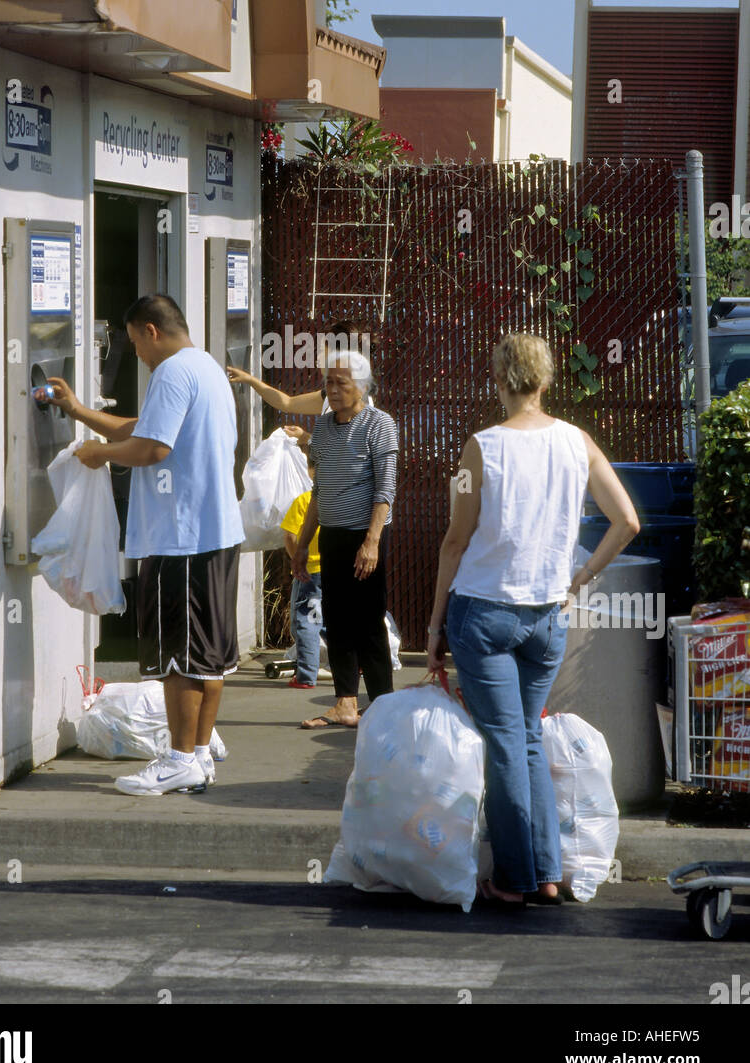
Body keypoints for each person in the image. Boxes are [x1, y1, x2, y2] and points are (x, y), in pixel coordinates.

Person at [426, 333, 640, 906]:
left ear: (498, 380)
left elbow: (454, 540)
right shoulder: (577, 442)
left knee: (505, 744)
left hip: (483, 613)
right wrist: (582, 574)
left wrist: (433, 626)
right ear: (546, 382)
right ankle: (546, 873)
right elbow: (627, 521)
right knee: (525, 741)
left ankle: (515, 879)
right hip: (548, 617)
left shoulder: (481, 448)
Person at [47, 293, 243, 796]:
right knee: (209, 657)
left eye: (134, 343)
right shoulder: (205, 368)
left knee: (178, 658)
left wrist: (99, 456)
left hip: (180, 538)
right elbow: (145, 427)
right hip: (215, 535)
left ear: (151, 331)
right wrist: (80, 412)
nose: (137, 353)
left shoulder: (173, 372)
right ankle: (197, 755)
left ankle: (177, 758)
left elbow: (153, 447)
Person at [291, 350, 398, 728]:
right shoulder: (321, 428)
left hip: (364, 538)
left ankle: (384, 705)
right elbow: (319, 490)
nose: (332, 390)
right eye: (328, 382)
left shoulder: (379, 424)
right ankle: (346, 704)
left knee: (368, 622)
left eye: (341, 382)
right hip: (331, 536)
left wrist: (372, 541)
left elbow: (385, 489)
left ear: (363, 386)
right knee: (336, 621)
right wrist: (303, 543)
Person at [227, 319, 374, 450]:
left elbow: (342, 452)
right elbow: (287, 402)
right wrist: (250, 380)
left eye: (322, 351)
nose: (318, 357)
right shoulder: (332, 396)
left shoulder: (354, 403)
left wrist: (305, 437)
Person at [280, 459, 322, 688]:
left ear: (311, 471)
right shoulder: (339, 500)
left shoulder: (305, 500)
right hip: (336, 570)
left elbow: (289, 536)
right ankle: (353, 666)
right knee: (333, 621)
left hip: (310, 571)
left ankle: (306, 675)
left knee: (307, 621)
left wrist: (296, 558)